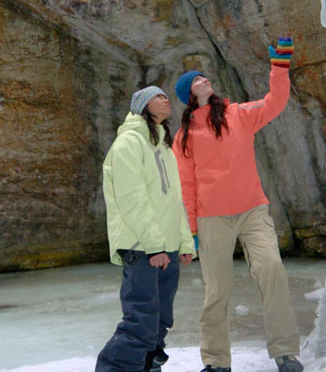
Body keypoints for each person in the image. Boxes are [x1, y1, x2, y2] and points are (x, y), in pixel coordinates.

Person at [172, 37, 304, 372]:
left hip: (252, 211)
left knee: (271, 269)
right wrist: (190, 231)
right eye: (197, 79)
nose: (205, 79)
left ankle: (285, 352)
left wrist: (279, 66)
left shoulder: (238, 114)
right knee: (217, 291)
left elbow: (275, 102)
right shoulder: (184, 136)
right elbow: (185, 186)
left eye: (206, 76)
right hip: (212, 218)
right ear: (189, 93)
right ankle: (216, 363)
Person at [95, 86, 197, 372]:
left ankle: (148, 366)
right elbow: (133, 200)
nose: (166, 100)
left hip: (165, 248)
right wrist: (155, 246)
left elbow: (173, 200)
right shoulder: (129, 143)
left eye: (166, 96)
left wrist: (183, 244)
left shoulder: (163, 147)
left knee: (161, 319)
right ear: (143, 105)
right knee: (141, 318)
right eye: (158, 96)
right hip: (143, 248)